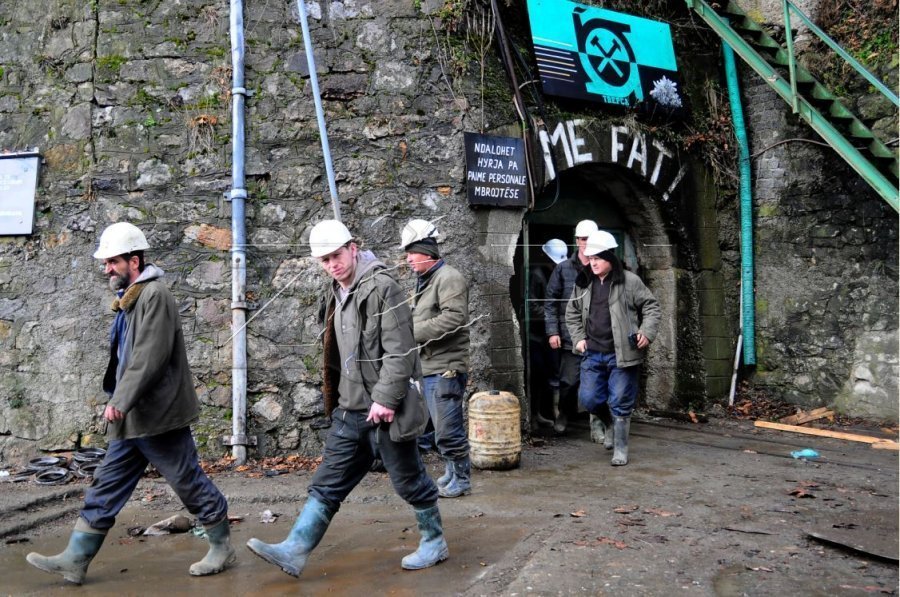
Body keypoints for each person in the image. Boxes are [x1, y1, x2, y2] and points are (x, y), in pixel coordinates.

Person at [26, 222, 234, 585]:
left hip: (158, 415)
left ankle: (221, 546)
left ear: (133, 261)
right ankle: (75, 558)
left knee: (186, 481)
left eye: (112, 262)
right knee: (106, 484)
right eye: (106, 263)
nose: (106, 269)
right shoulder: (131, 299)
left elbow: (148, 356)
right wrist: (121, 401)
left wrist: (120, 400)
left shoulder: (154, 295)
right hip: (133, 417)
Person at [246, 219, 448, 577]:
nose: (332, 265)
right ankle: (294, 549)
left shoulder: (384, 288)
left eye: (336, 255)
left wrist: (386, 399)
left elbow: (401, 351)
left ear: (353, 248)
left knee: (407, 479)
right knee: (327, 482)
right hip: (349, 409)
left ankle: (434, 540)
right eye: (324, 260)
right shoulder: (335, 291)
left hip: (386, 409)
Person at [565, 230, 661, 466]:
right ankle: (608, 423)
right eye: (591, 258)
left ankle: (620, 449)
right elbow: (572, 313)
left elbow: (651, 307)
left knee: (620, 399)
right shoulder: (583, 282)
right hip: (592, 352)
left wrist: (646, 332)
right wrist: (578, 338)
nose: (593, 262)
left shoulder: (629, 281)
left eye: (598, 258)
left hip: (622, 353)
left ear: (610, 257)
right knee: (588, 399)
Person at [401, 219, 472, 498]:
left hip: (446, 367)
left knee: (447, 428)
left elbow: (455, 318)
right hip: (430, 366)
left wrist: (412, 333)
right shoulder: (426, 280)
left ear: (427, 253)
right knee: (439, 427)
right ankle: (452, 471)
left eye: (411, 253)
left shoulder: (448, 277)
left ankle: (463, 479)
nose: (407, 259)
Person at [544, 219, 599, 434]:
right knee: (568, 381)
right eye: (581, 239)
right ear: (576, 241)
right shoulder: (563, 269)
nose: (584, 243)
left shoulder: (603, 265)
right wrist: (553, 332)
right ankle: (565, 412)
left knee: (598, 381)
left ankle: (597, 425)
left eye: (588, 239)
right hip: (570, 337)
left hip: (598, 336)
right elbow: (550, 302)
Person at [528, 239, 568, 429]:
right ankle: (534, 415)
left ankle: (550, 413)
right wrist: (552, 316)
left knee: (552, 375)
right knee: (537, 375)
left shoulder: (559, 274)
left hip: (553, 334)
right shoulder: (536, 274)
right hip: (537, 335)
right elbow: (531, 304)